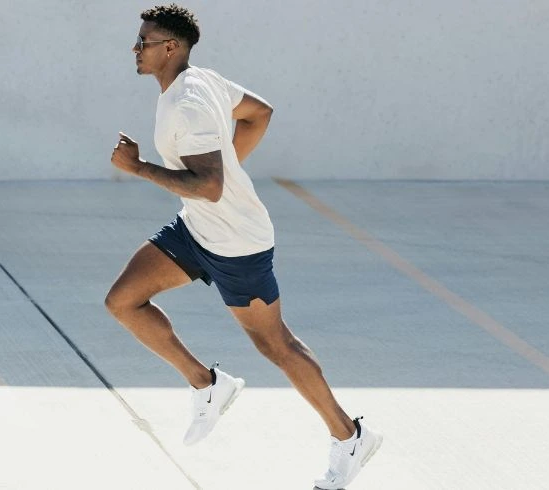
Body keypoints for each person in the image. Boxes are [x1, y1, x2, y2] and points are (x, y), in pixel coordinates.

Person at [105, 4, 382, 488]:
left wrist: (140, 168)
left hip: (236, 242)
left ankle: (350, 436)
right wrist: (230, 167)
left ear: (171, 47)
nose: (135, 48)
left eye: (143, 42)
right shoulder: (201, 81)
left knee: (276, 345)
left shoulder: (189, 103)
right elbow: (259, 113)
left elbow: (210, 187)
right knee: (123, 301)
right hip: (197, 227)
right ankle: (208, 385)